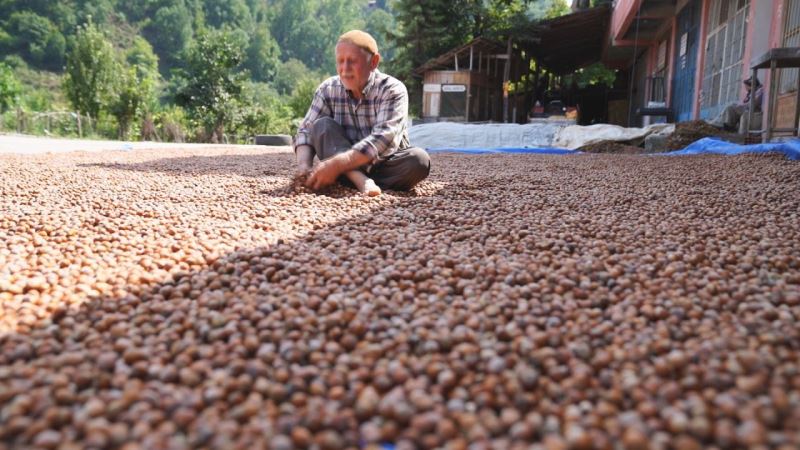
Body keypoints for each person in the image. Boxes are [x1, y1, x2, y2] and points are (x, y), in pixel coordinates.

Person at [294, 30, 430, 196]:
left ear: (373, 62)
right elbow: (306, 131)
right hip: (339, 158)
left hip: (383, 164)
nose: (345, 69)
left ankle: (345, 179)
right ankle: (359, 179)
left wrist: (338, 165)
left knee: (419, 160)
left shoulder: (392, 89)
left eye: (352, 61)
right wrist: (304, 167)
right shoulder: (327, 89)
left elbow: (382, 138)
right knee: (321, 125)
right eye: (340, 61)